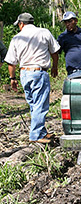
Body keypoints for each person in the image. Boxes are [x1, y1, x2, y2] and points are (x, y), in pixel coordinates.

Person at [4, 12, 60, 144]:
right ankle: (36, 135)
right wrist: (55, 67)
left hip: (25, 74)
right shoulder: (44, 32)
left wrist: (12, 78)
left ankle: (40, 131)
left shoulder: (17, 38)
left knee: (34, 104)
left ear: (21, 24)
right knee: (40, 104)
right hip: (39, 72)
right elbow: (55, 52)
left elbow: (11, 62)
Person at [57, 11, 81, 78]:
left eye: (69, 21)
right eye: (65, 22)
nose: (67, 24)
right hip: (74, 71)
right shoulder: (63, 37)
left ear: (76, 21)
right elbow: (56, 51)